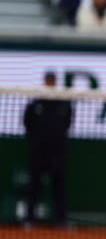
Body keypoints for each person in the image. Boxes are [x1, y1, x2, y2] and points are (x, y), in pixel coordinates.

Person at [23, 72, 72, 227]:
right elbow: (27, 123)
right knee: (34, 187)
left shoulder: (63, 103)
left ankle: (62, 220)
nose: (50, 83)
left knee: (59, 186)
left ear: (55, 82)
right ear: (44, 82)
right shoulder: (35, 102)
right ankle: (29, 219)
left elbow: (67, 123)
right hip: (38, 152)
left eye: (52, 81)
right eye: (48, 80)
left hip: (57, 152)